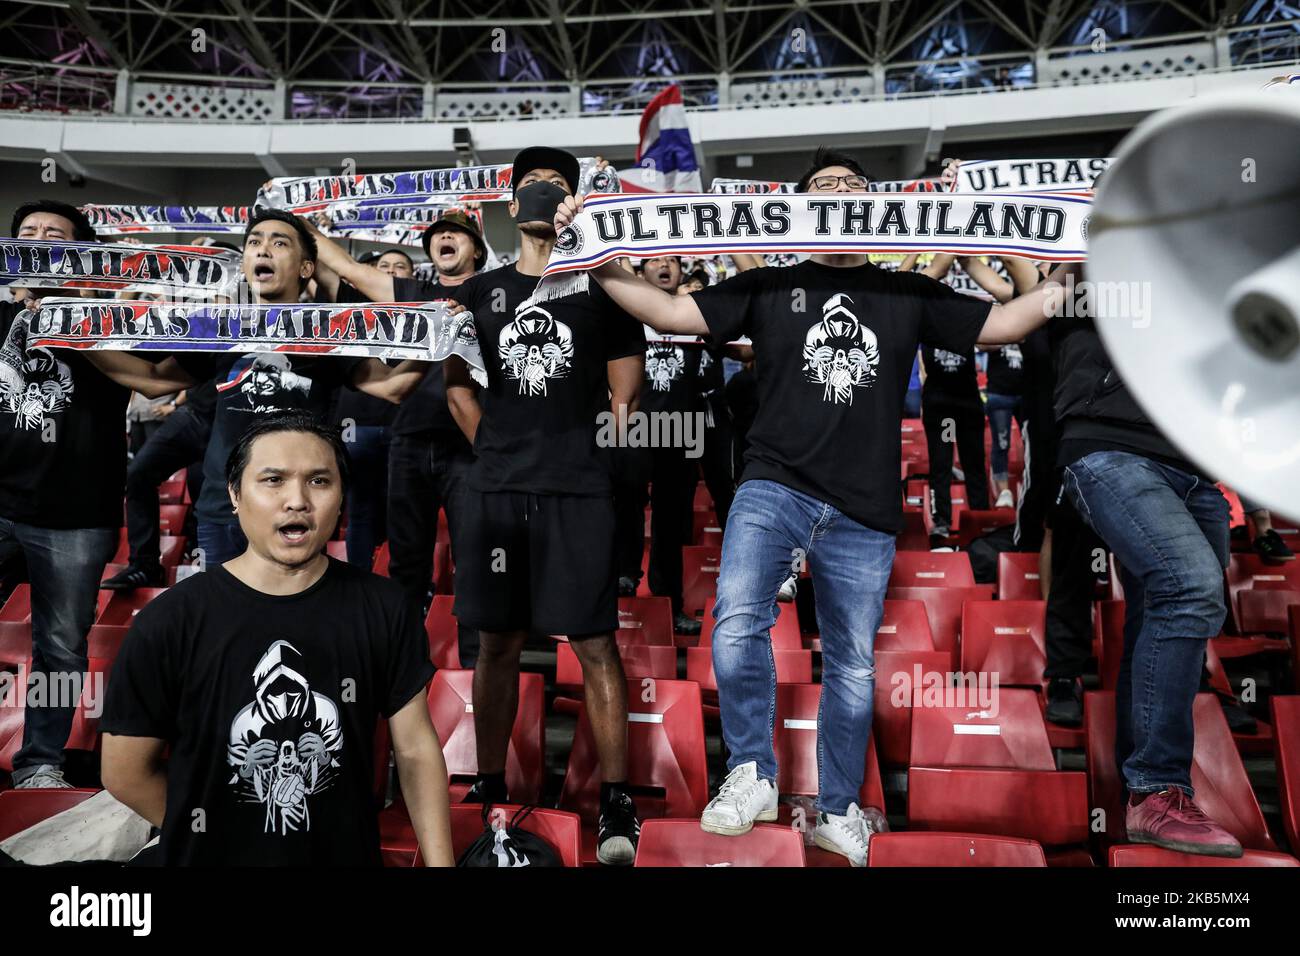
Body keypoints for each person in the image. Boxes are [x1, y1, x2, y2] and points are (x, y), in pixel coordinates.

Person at [559, 146, 1077, 865]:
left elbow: (1009, 323)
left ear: (875, 206)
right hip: (773, 485)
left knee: (854, 666)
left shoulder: (905, 293)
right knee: (738, 620)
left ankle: (838, 809)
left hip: (864, 508)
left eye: (853, 185)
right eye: (825, 185)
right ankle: (751, 772)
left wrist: (1070, 267)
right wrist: (596, 254)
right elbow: (671, 309)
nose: (839, 192)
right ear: (800, 209)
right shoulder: (770, 284)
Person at [101, 413, 453, 865]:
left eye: (319, 481)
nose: (297, 500)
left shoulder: (384, 608)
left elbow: (416, 750)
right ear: (234, 494)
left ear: (342, 496)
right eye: (273, 480)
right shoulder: (171, 620)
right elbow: (124, 770)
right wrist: (212, 835)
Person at [441, 147, 646, 865]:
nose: (540, 194)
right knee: (494, 642)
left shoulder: (603, 288)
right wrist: (500, 449)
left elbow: (627, 393)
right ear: (509, 200)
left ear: (572, 203)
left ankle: (617, 800)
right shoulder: (479, 291)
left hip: (580, 491)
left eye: (555, 186)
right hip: (497, 492)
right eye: (530, 183)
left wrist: (582, 453)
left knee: (593, 645)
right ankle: (491, 783)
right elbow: (460, 388)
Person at [86, 210, 431, 567]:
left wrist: (441, 339)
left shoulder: (324, 330)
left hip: (295, 512)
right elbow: (153, 380)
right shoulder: (224, 329)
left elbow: (393, 386)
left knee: (289, 622)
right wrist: (75, 337)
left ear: (305, 268)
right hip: (223, 509)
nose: (263, 249)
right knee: (225, 621)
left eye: (279, 243)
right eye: (254, 242)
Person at [1055, 273, 1244, 857]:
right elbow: (1045, 288)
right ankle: (1157, 788)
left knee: (1159, 615)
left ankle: (1138, 799)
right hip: (1108, 448)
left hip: (1192, 464)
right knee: (1189, 586)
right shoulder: (1096, 264)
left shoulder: (1211, 267)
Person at [0, 200, 183, 789]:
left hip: (73, 515)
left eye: (55, 235)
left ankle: (41, 763)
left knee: (60, 648)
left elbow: (161, 378)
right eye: (28, 234)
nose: (39, 240)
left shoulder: (109, 318)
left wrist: (71, 319)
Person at [306, 210, 487, 665]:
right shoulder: (414, 295)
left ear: (477, 251)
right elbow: (348, 270)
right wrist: (301, 226)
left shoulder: (496, 291)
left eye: (457, 233)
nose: (444, 236)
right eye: (437, 234)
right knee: (406, 564)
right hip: (408, 442)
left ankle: (474, 674)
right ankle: (403, 667)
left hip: (472, 447)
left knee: (473, 563)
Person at [103, 380, 216, 590]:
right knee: (138, 474)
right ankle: (145, 565)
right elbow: (163, 374)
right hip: (196, 411)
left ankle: (215, 570)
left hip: (240, 411)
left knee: (205, 491)